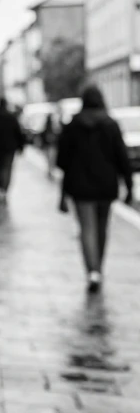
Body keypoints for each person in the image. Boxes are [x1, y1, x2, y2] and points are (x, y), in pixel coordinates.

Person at [56, 86, 133, 293]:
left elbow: (63, 160)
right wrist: (129, 184)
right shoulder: (111, 124)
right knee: (101, 228)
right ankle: (98, 267)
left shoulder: (73, 125)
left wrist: (62, 193)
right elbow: (122, 157)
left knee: (87, 230)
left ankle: (92, 271)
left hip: (80, 186)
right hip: (106, 185)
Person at [40, 113, 59, 179]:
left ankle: (50, 171)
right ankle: (50, 171)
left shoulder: (47, 127)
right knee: (51, 160)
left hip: (48, 146)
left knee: (50, 160)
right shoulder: (52, 127)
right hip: (50, 146)